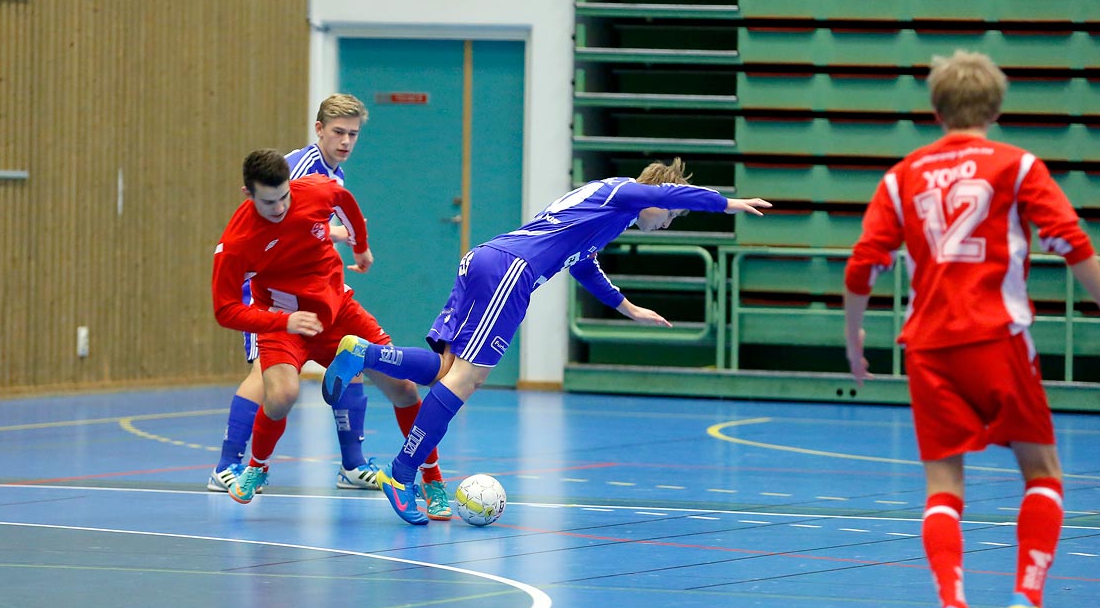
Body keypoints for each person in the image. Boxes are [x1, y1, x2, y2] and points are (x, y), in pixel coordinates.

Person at [841, 50, 1100, 608]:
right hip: (999, 338)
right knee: (1043, 472)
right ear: (997, 109)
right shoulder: (1017, 165)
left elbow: (863, 263)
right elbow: (1073, 242)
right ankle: (1027, 598)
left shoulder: (902, 176)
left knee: (943, 487)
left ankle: (953, 606)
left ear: (935, 109)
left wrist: (854, 338)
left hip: (928, 346)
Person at [322, 158, 771, 525]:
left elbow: (581, 264)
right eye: (670, 216)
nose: (667, 223)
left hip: (487, 260)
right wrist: (727, 203)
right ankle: (401, 474)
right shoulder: (622, 191)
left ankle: (364, 353)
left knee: (446, 370)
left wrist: (626, 307)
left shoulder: (605, 213)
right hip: (511, 272)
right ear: (655, 197)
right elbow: (659, 194)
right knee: (467, 380)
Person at [208, 94, 452, 507]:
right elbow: (228, 302)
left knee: (382, 380)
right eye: (338, 132)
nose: (345, 141)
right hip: (274, 306)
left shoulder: (321, 184)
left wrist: (360, 246)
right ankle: (236, 467)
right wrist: (280, 321)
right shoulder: (251, 227)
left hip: (331, 304)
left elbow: (342, 207)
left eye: (352, 134)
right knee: (273, 388)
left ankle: (372, 468)